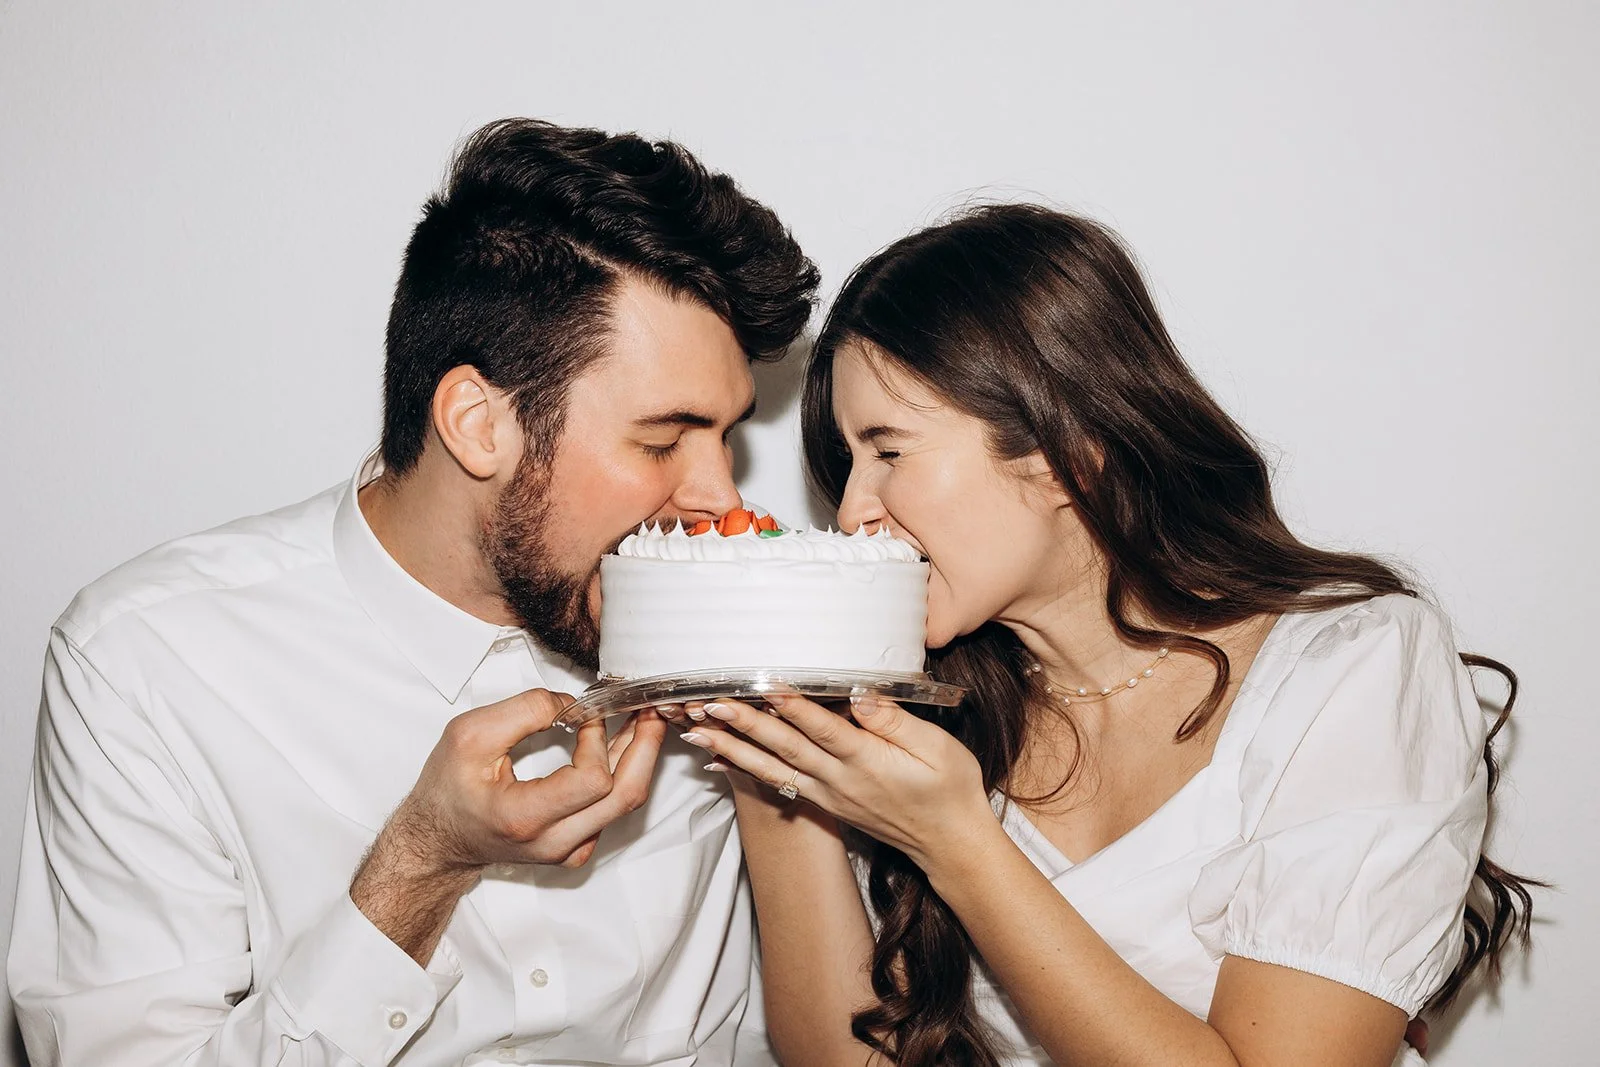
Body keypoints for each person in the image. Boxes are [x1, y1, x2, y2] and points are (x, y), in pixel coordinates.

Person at [7, 118, 818, 1066]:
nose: (720, 497)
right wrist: (422, 862)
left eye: (726, 435)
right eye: (661, 438)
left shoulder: (737, 624)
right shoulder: (147, 662)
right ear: (478, 425)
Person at [673, 204, 1535, 1066]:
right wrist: (771, 762)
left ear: (1063, 451)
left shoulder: (1354, 667)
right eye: (849, 465)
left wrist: (959, 842)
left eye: (889, 452)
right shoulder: (924, 707)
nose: (855, 509)